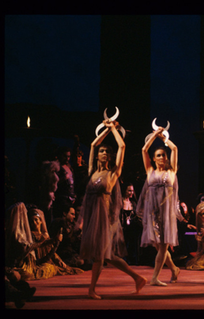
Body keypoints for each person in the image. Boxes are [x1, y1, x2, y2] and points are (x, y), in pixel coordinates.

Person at [77, 119, 146, 299]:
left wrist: (114, 129)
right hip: (92, 217)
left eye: (107, 151)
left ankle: (92, 289)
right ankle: (138, 278)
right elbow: (93, 144)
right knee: (107, 256)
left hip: (104, 219)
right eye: (102, 151)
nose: (104, 153)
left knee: (101, 256)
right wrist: (105, 129)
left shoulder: (113, 173)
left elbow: (122, 146)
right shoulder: (92, 171)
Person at [136, 126, 183, 286]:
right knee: (159, 248)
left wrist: (164, 139)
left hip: (166, 214)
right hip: (152, 214)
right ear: (154, 159)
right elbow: (144, 149)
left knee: (163, 247)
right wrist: (155, 134)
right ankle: (174, 269)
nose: (162, 157)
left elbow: (175, 148)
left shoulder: (171, 172)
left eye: (163, 155)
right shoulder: (150, 171)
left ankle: (155, 277)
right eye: (158, 155)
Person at [23, 206, 84, 280]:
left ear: (41, 221)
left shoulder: (45, 235)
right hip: (40, 262)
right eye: (32, 222)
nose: (35, 223)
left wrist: (59, 260)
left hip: (51, 259)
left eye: (36, 220)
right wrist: (54, 240)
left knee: (75, 268)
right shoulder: (31, 236)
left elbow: (51, 250)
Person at [48, 201, 85, 269]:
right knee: (81, 261)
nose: (74, 217)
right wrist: (79, 229)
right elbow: (68, 240)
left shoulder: (70, 224)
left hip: (69, 252)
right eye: (72, 214)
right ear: (65, 213)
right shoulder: (59, 222)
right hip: (61, 252)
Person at [120, 182, 142, 265]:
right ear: (124, 191)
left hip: (133, 229)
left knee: (133, 243)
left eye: (132, 191)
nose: (131, 193)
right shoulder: (120, 202)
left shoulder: (133, 203)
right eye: (129, 191)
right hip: (122, 228)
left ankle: (133, 259)